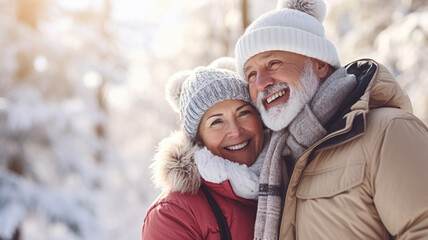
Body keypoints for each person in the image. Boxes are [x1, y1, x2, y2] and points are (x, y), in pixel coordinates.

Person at [234, 0, 428, 239]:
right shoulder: (276, 161)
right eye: (251, 74)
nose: (261, 83)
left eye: (273, 63)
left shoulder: (388, 132)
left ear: (320, 64)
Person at [141, 57, 269, 240]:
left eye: (244, 113)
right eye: (216, 122)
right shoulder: (173, 215)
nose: (235, 131)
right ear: (198, 139)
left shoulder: (291, 177)